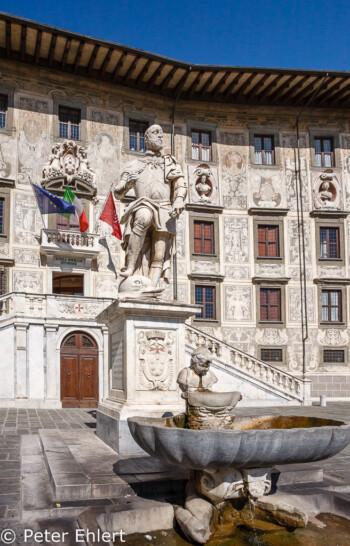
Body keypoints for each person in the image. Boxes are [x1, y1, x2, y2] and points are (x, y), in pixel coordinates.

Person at [114, 125, 186, 287]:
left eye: (161, 133)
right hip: (143, 203)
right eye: (155, 133)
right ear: (146, 139)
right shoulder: (133, 165)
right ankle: (130, 266)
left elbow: (181, 184)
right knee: (143, 217)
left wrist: (179, 200)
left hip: (165, 208)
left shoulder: (170, 163)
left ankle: (151, 288)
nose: (160, 136)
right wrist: (127, 185)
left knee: (159, 253)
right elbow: (118, 193)